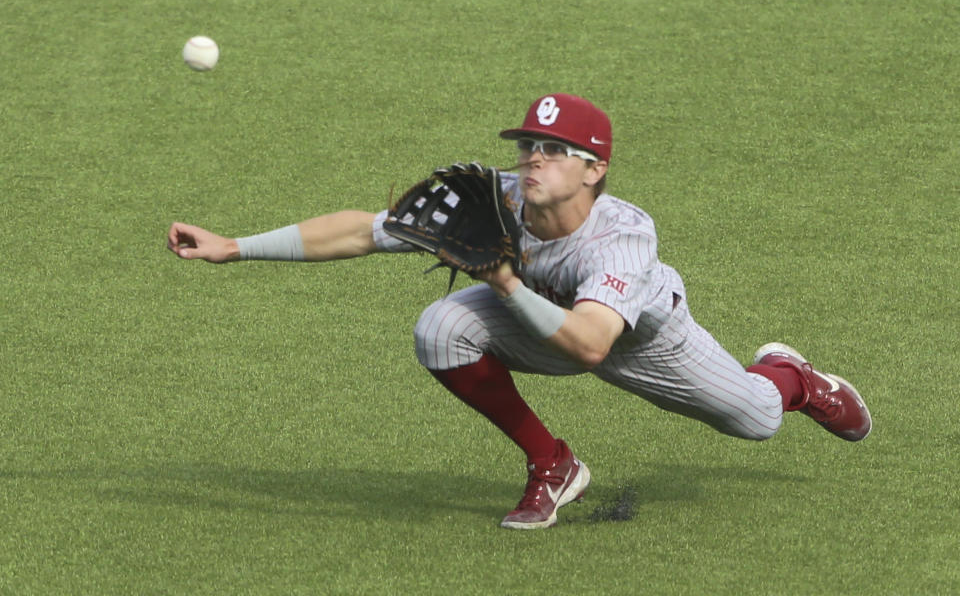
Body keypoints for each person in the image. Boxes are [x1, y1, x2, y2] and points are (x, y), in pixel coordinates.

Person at [167, 93, 872, 530]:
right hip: (541, 322)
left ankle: (791, 376)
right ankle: (553, 464)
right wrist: (236, 247)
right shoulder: (499, 198)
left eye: (554, 151)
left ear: (593, 169)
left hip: (639, 343)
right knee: (440, 328)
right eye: (528, 145)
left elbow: (593, 345)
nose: (533, 159)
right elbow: (363, 229)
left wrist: (504, 283)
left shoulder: (624, 235)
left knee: (755, 419)